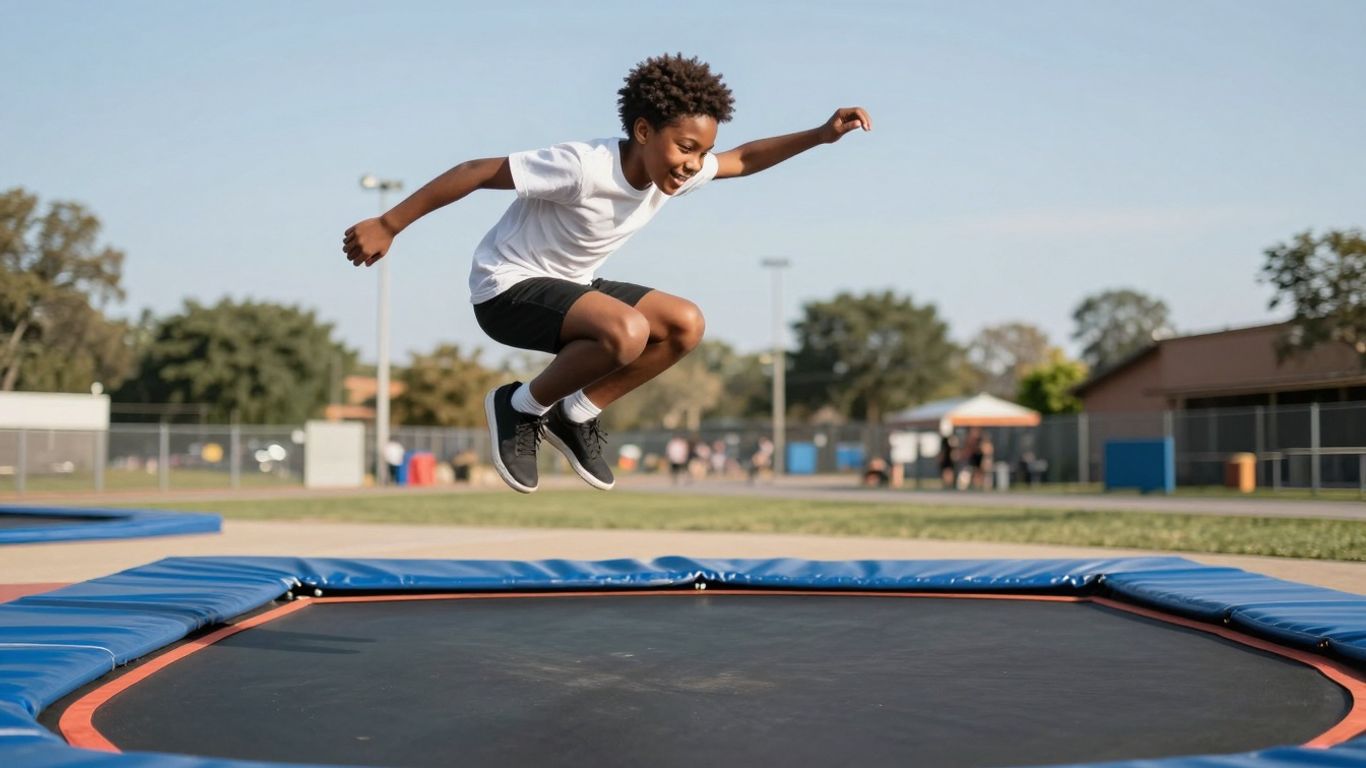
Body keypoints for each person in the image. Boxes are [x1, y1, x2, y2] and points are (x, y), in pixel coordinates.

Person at [343, 54, 870, 494]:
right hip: (505, 290)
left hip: (571, 286)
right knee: (627, 330)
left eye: (701, 152)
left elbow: (744, 158)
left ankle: (576, 414)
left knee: (686, 324)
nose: (693, 164)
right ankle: (519, 405)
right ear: (643, 131)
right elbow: (476, 171)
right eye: (685, 148)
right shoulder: (583, 165)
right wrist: (389, 222)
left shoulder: (675, 173)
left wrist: (822, 135)